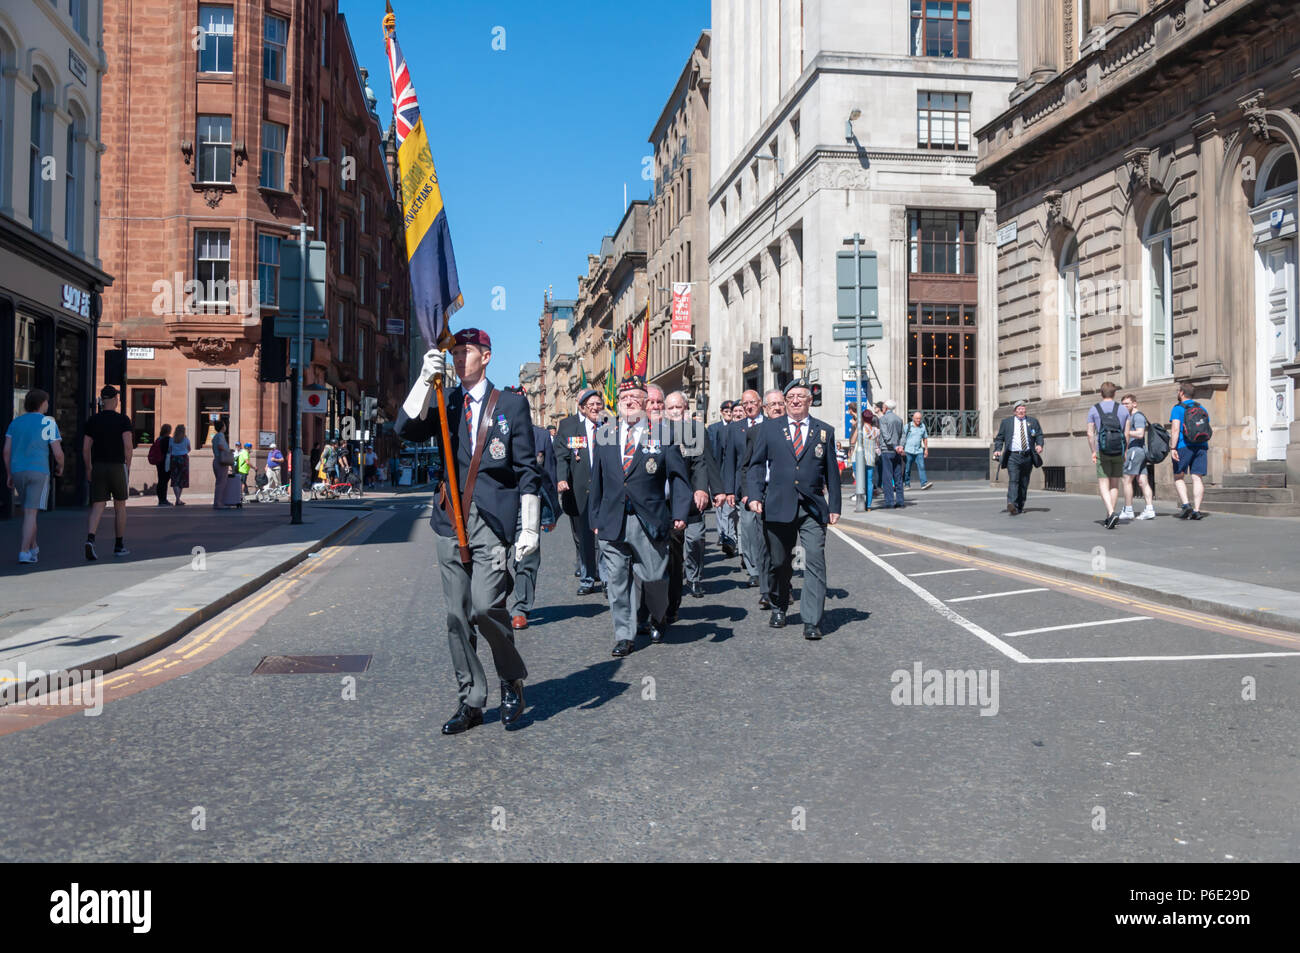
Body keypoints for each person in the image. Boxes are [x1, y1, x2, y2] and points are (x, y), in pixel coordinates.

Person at [395, 328, 542, 734]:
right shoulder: (448, 400)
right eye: (454, 353)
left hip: (491, 523)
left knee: (484, 607)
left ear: (487, 357)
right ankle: (471, 700)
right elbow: (403, 429)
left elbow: (528, 469)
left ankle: (510, 681)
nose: (459, 359)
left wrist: (529, 526)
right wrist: (424, 381)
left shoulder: (512, 405)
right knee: (456, 615)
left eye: (467, 352)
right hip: (448, 520)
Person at [589, 375, 690, 657]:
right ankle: (625, 634)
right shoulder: (605, 435)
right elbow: (597, 480)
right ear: (618, 404)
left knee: (654, 576)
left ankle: (657, 617)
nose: (630, 402)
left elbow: (679, 478)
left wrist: (680, 511)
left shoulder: (663, 434)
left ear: (646, 403)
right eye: (624, 398)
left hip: (649, 518)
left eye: (635, 397)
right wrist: (594, 518)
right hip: (612, 519)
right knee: (617, 580)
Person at [746, 380, 842, 640]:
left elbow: (831, 471)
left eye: (801, 396)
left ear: (810, 401)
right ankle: (779, 605)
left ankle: (811, 620)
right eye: (791, 397)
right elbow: (756, 465)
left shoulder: (824, 431)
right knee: (780, 562)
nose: (796, 400)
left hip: (812, 506)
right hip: (777, 504)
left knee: (814, 560)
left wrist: (834, 505)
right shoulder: (770, 429)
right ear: (786, 402)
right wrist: (754, 496)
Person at [663, 389, 719, 613]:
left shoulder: (695, 430)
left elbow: (703, 462)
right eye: (671, 408)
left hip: (693, 496)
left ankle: (694, 576)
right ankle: (672, 584)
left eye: (679, 407)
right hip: (669, 499)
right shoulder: (657, 432)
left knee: (695, 539)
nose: (675, 411)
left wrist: (703, 489)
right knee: (674, 547)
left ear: (686, 408)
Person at [554, 388, 607, 596]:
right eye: (591, 405)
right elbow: (562, 456)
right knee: (584, 537)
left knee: (604, 536)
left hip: (604, 489)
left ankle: (606, 578)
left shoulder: (609, 426)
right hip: (579, 490)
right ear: (582, 408)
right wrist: (561, 478)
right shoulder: (569, 427)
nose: (595, 408)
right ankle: (587, 578)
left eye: (598, 404)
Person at [4, 388, 64, 564]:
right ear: (41, 403)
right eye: (46, 401)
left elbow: (6, 451)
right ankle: (24, 551)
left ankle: (33, 547)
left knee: (28, 511)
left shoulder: (15, 423)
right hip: (39, 470)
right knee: (31, 513)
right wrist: (61, 466)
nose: (48, 404)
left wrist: (9, 473)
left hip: (18, 471)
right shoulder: (48, 423)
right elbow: (58, 452)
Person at [509, 420, 559, 630]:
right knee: (495, 555)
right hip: (498, 504)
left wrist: (551, 514)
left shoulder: (541, 436)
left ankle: (521, 608)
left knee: (527, 555)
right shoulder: (491, 428)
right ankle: (494, 601)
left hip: (529, 503)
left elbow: (549, 475)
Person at [724, 389, 771, 599]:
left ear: (760, 403)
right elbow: (732, 462)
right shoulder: (735, 429)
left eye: (752, 402)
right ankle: (754, 571)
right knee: (749, 530)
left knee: (767, 534)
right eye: (745, 404)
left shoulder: (771, 425)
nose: (749, 406)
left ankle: (766, 570)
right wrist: (731, 491)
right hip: (744, 489)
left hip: (768, 487)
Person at [83, 384, 134, 559]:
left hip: (98, 465)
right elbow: (128, 445)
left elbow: (85, 448)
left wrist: (89, 468)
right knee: (120, 505)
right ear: (114, 400)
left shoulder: (93, 420)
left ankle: (90, 539)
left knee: (98, 504)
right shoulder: (123, 420)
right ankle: (119, 545)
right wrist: (128, 465)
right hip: (117, 465)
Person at [1087, 381, 1130, 529]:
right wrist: (1125, 451)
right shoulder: (1123, 410)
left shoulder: (1094, 409)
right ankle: (1109, 516)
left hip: (1102, 450)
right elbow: (1126, 434)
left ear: (1101, 393)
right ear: (1115, 393)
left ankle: (1111, 513)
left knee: (1103, 484)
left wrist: (1093, 450)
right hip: (1118, 450)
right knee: (1114, 484)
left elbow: (1090, 434)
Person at [992, 399, 1044, 515]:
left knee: (1024, 482)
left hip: (1027, 456)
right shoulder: (1007, 422)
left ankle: (1020, 505)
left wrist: (1039, 444)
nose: (1021, 411)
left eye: (1023, 409)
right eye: (1019, 409)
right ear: (1014, 411)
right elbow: (1000, 438)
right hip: (1013, 456)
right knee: (1014, 480)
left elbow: (1039, 435)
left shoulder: (1032, 421)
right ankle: (1012, 503)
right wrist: (997, 450)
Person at [1169, 381, 1210, 520]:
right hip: (1201, 444)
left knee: (1179, 476)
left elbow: (1175, 429)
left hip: (1183, 445)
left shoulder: (1178, 408)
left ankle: (1186, 505)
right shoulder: (1202, 408)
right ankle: (1197, 510)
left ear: (1181, 392)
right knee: (1197, 477)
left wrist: (1173, 447)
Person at [707, 400, 738, 557]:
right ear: (721, 411)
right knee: (720, 508)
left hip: (731, 473)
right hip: (718, 472)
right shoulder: (714, 429)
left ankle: (729, 536)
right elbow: (713, 453)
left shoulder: (737, 427)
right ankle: (723, 534)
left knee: (729, 509)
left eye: (730, 410)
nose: (728, 412)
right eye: (725, 409)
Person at [1120, 393, 1156, 521]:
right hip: (1139, 452)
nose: (1124, 406)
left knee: (1126, 480)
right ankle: (1149, 509)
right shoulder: (1129, 416)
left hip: (1135, 451)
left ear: (1134, 404)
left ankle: (1128, 510)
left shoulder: (1137, 416)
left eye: (1127, 404)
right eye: (1122, 404)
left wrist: (1125, 432)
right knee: (1142, 481)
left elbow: (1140, 433)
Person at [877, 400, 906, 508]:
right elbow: (903, 435)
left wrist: (894, 446)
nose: (882, 407)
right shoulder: (899, 419)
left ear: (886, 407)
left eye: (883, 406)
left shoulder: (883, 419)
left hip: (887, 450)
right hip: (897, 451)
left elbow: (885, 435)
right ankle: (900, 501)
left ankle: (889, 501)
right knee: (898, 476)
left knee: (887, 477)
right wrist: (900, 446)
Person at [902, 411, 933, 490]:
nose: (918, 420)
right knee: (907, 469)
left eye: (919, 418)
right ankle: (907, 484)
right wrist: (902, 448)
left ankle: (924, 483)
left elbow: (925, 438)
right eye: (916, 418)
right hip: (908, 450)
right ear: (913, 418)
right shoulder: (908, 426)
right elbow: (902, 438)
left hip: (919, 451)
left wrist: (926, 449)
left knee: (922, 467)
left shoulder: (922, 426)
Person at [210, 420, 236, 509]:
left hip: (216, 461)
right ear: (222, 427)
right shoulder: (220, 435)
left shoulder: (215, 436)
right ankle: (218, 503)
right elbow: (220, 446)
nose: (226, 426)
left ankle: (217, 502)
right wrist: (228, 451)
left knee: (219, 483)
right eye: (224, 425)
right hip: (221, 462)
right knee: (221, 483)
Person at [858, 409, 880, 509]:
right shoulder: (876, 431)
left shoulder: (861, 429)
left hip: (862, 458)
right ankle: (869, 504)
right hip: (871, 457)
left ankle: (861, 502)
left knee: (861, 480)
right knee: (869, 481)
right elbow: (877, 444)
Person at [151, 423, 173, 505]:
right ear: (168, 431)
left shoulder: (158, 439)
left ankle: (161, 499)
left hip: (159, 461)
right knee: (164, 481)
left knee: (160, 480)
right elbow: (170, 450)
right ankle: (163, 499)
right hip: (166, 461)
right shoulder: (169, 439)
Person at [169, 424, 191, 505]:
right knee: (182, 479)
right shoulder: (186, 440)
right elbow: (189, 449)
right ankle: (178, 499)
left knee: (175, 479)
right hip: (183, 458)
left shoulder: (172, 440)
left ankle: (177, 499)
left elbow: (169, 449)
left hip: (174, 458)